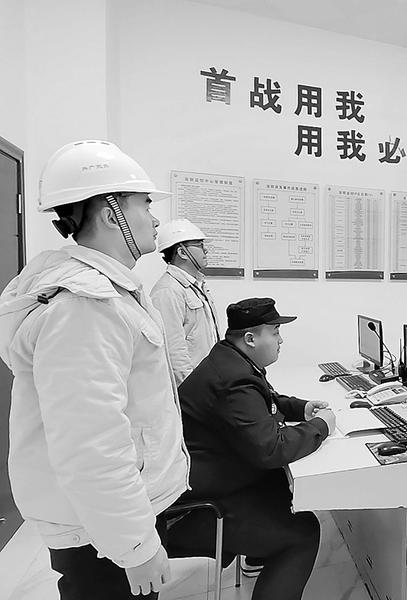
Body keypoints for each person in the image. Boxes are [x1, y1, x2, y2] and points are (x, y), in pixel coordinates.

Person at [0, 140, 188, 598]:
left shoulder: (109, 292)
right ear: (110, 213)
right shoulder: (86, 307)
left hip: (107, 524)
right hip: (102, 536)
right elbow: (91, 443)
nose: (155, 219)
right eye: (145, 204)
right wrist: (135, 546)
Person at [168, 297, 335, 600]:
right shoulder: (233, 379)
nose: (281, 340)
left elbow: (266, 400)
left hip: (212, 480)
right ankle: (270, 551)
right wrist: (321, 427)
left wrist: (301, 408)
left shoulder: (230, 360)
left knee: (283, 485)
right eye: (275, 332)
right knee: (303, 532)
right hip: (197, 507)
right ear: (250, 338)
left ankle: (260, 555)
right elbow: (271, 449)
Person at [151, 219, 220, 384]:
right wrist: (191, 389)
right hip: (191, 387)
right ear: (182, 252)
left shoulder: (196, 285)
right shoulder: (168, 291)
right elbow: (173, 350)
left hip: (207, 380)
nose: (206, 250)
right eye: (200, 245)